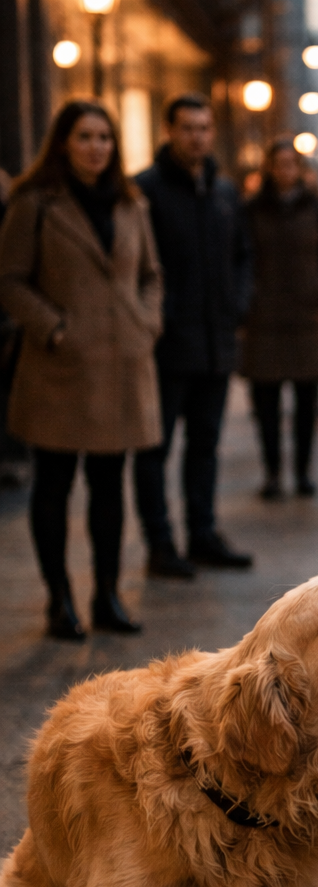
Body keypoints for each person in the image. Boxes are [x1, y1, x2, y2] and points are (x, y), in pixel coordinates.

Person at [0, 101, 163, 639]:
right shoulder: (36, 203)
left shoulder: (129, 203)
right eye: (85, 136)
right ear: (63, 143)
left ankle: (108, 596)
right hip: (59, 370)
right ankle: (60, 601)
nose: (96, 147)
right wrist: (53, 328)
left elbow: (150, 273)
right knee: (53, 484)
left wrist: (147, 320)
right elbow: (11, 281)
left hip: (121, 366)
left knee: (110, 488)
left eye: (104, 138)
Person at [132, 94, 253, 577]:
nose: (196, 137)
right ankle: (161, 544)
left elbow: (243, 256)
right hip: (164, 346)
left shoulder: (223, 192)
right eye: (187, 128)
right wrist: (156, 318)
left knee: (205, 445)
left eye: (204, 128)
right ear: (169, 131)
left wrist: (237, 305)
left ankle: (202, 534)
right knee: (154, 450)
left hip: (215, 345)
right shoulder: (146, 190)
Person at [241, 138, 318, 497]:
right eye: (278, 164)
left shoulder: (317, 208)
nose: (285, 171)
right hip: (264, 319)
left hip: (307, 318)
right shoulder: (252, 209)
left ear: (299, 169)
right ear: (268, 168)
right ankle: (272, 473)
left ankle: (302, 472)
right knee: (266, 404)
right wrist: (249, 294)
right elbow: (239, 256)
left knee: (306, 403)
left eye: (291, 164)